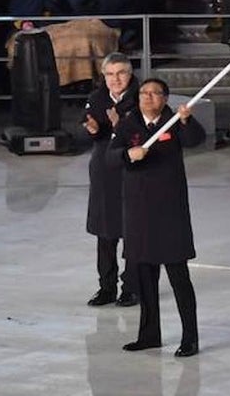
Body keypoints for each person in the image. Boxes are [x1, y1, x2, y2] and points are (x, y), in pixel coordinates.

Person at [107, 78, 204, 357]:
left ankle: (190, 338)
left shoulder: (175, 122)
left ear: (165, 98)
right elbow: (109, 158)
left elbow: (195, 140)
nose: (148, 97)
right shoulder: (128, 123)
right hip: (139, 212)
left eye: (155, 93)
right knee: (145, 279)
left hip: (170, 212)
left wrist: (186, 121)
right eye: (143, 93)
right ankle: (149, 335)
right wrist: (129, 154)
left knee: (179, 279)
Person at [82, 53, 140, 308]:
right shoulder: (96, 98)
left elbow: (142, 133)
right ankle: (106, 287)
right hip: (105, 170)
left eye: (121, 73)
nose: (116, 79)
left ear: (130, 74)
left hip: (133, 169)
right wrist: (94, 130)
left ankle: (132, 287)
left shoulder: (142, 97)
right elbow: (95, 130)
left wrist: (119, 127)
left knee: (134, 231)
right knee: (105, 231)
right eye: (110, 74)